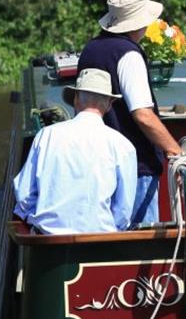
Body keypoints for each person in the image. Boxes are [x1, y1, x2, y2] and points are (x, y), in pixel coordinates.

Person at [78, 0, 182, 226]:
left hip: (95, 163)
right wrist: (175, 152)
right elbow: (143, 114)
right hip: (135, 168)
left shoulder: (90, 49)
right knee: (138, 245)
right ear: (140, 22)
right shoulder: (129, 55)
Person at [13, 69, 138, 234]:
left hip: (48, 241)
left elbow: (24, 195)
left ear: (76, 99)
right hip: (100, 242)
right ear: (108, 104)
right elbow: (123, 212)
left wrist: (34, 220)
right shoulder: (123, 146)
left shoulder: (47, 135)